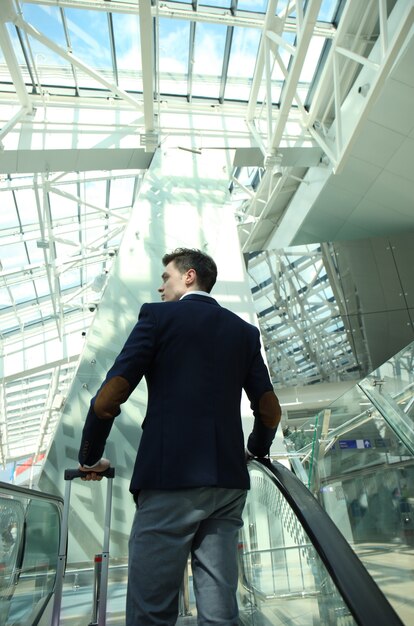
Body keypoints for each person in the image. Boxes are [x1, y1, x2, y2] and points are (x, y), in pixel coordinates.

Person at [78, 247, 281, 626]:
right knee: (220, 613)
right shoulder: (244, 332)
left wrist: (90, 456)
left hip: (170, 482)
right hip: (227, 485)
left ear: (189, 276)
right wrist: (254, 450)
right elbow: (269, 409)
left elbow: (109, 398)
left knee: (152, 613)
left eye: (166, 277)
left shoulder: (158, 318)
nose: (160, 287)